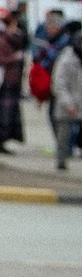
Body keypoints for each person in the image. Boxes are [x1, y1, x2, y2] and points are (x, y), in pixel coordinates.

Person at [0, 19, 27, 153]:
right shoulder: (3, 42)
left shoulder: (11, 41)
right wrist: (14, 58)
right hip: (5, 82)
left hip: (11, 82)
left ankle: (4, 140)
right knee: (5, 114)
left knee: (10, 113)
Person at [52, 30, 81, 171]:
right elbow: (59, 84)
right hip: (68, 103)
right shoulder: (66, 60)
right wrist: (68, 103)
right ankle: (61, 160)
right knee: (63, 135)